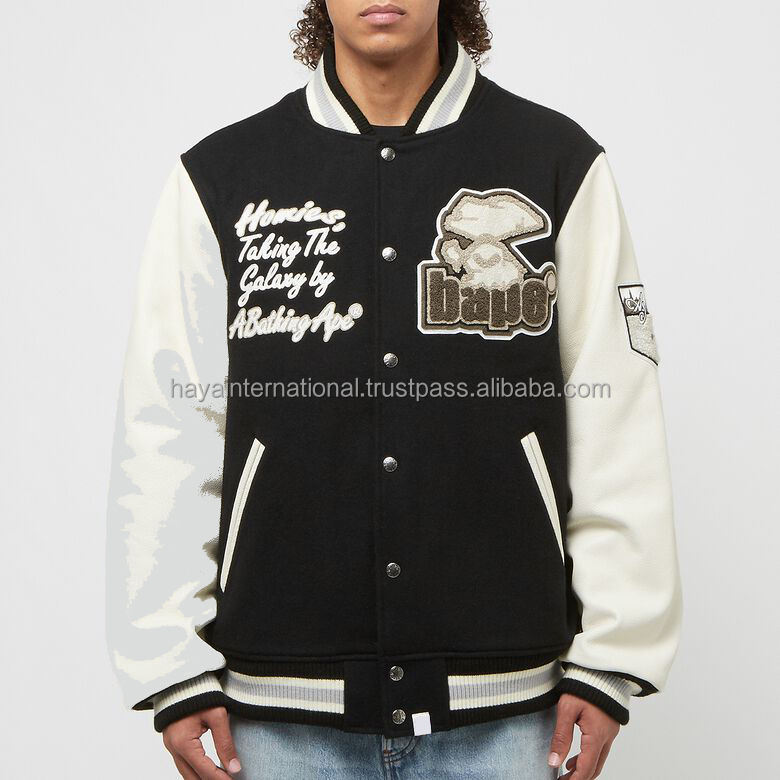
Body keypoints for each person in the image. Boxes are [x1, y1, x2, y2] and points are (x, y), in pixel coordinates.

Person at [106, 1, 682, 778]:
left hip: (511, 714)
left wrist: (612, 656)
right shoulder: (223, 176)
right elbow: (169, 422)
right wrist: (171, 663)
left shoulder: (556, 162)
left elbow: (617, 413)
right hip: (276, 718)